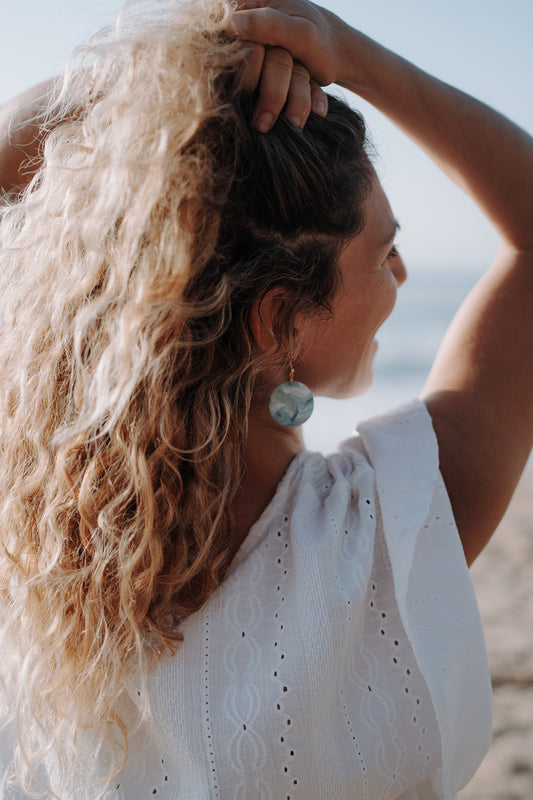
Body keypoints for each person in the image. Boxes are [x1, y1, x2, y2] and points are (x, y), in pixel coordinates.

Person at [0, 0, 531, 797]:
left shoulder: (33, 539)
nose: (402, 276)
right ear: (278, 320)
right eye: (383, 253)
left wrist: (177, 71)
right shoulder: (387, 535)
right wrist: (350, 54)